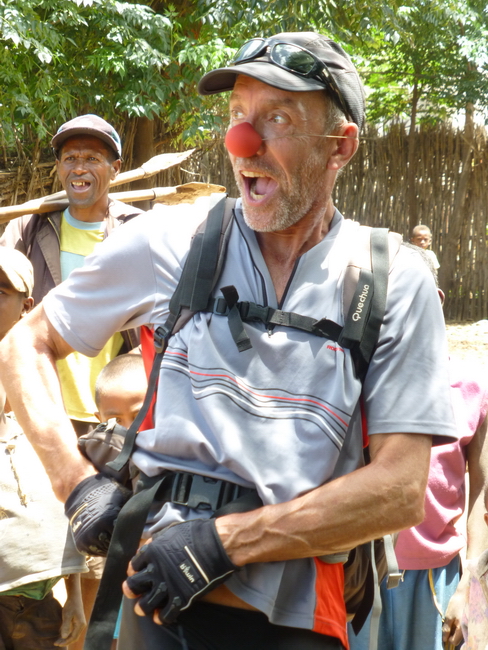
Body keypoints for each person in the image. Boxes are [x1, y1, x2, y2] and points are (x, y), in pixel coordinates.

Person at [0, 32, 458, 650]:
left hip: (297, 615)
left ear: (340, 147)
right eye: (238, 115)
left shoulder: (392, 280)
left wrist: (225, 542)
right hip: (153, 595)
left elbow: (401, 490)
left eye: (277, 118)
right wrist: (73, 481)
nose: (244, 141)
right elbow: (23, 344)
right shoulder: (173, 240)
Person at [347, 268, 488, 649]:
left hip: (435, 581)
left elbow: (480, 496)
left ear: (436, 300)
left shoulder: (470, 389)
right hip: (359, 576)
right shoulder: (351, 382)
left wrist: (469, 584)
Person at [0, 114, 142, 438]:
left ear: (116, 168)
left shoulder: (135, 233)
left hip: (114, 414)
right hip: (39, 409)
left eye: (92, 159)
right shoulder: (27, 230)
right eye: (70, 159)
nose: (79, 168)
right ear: (60, 167)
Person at [0, 247, 87, 649]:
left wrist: (74, 598)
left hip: (37, 600)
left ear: (26, 306)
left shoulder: (39, 390)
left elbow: (59, 491)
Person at [69, 353, 148, 650]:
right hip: (114, 580)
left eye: (139, 414)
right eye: (115, 420)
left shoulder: (176, 453)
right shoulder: (94, 455)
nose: (131, 428)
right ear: (98, 418)